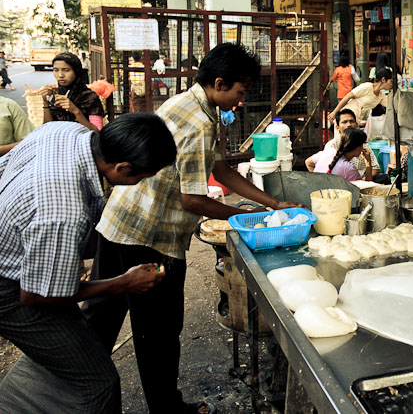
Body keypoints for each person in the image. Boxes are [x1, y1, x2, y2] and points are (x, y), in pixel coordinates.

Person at [84, 43, 302, 414]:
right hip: (151, 236)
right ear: (220, 82)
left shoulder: (190, 103)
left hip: (118, 221)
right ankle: (164, 408)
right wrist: (240, 218)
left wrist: (273, 205)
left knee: (100, 321)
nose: (240, 98)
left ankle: (81, 397)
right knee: (158, 332)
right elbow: (191, 200)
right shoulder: (200, 122)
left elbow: (221, 170)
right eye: (241, 90)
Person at [0, 115, 177, 414]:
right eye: (142, 177)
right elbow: (38, 296)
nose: (140, 183)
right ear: (122, 168)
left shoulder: (63, 130)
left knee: (76, 347)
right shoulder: (63, 211)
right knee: (98, 382)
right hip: (10, 289)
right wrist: (124, 282)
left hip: (13, 255)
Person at [40, 52, 105, 132]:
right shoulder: (55, 94)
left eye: (66, 70)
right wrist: (45, 103)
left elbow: (97, 132)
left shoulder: (90, 97)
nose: (60, 75)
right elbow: (47, 129)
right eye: (56, 70)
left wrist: (75, 111)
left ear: (76, 71)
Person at [321, 109, 390, 184]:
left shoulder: (363, 143)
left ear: (356, 125)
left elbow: (375, 169)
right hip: (343, 182)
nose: (349, 125)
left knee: (385, 178)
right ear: (337, 127)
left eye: (351, 121)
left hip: (363, 178)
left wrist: (363, 178)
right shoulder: (332, 146)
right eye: (344, 122)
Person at [328, 67, 393, 125]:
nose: (392, 84)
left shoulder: (381, 96)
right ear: (383, 79)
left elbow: (391, 105)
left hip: (355, 122)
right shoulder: (367, 86)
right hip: (345, 119)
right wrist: (334, 112)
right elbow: (348, 96)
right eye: (391, 81)